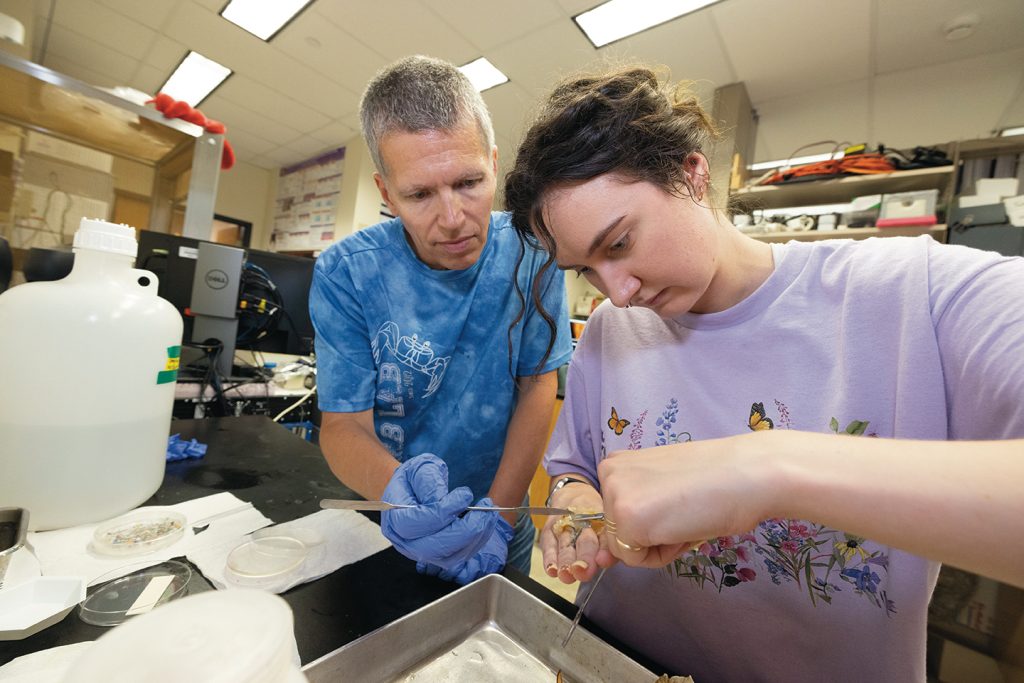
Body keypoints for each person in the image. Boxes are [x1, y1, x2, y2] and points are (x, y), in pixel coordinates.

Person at [503, 65, 1024, 681]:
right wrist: (575, 503)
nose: (615, 293)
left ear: (692, 176)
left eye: (618, 244)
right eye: (585, 269)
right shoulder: (612, 333)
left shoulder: (914, 293)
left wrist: (767, 468)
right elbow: (572, 470)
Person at [310, 56, 571, 584]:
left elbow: (538, 385)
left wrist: (498, 514)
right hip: (390, 520)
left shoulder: (533, 256)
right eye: (420, 194)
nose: (452, 220)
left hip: (500, 506)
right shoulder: (347, 274)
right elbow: (343, 426)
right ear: (386, 194)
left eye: (469, 182)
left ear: (494, 164)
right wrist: (395, 494)